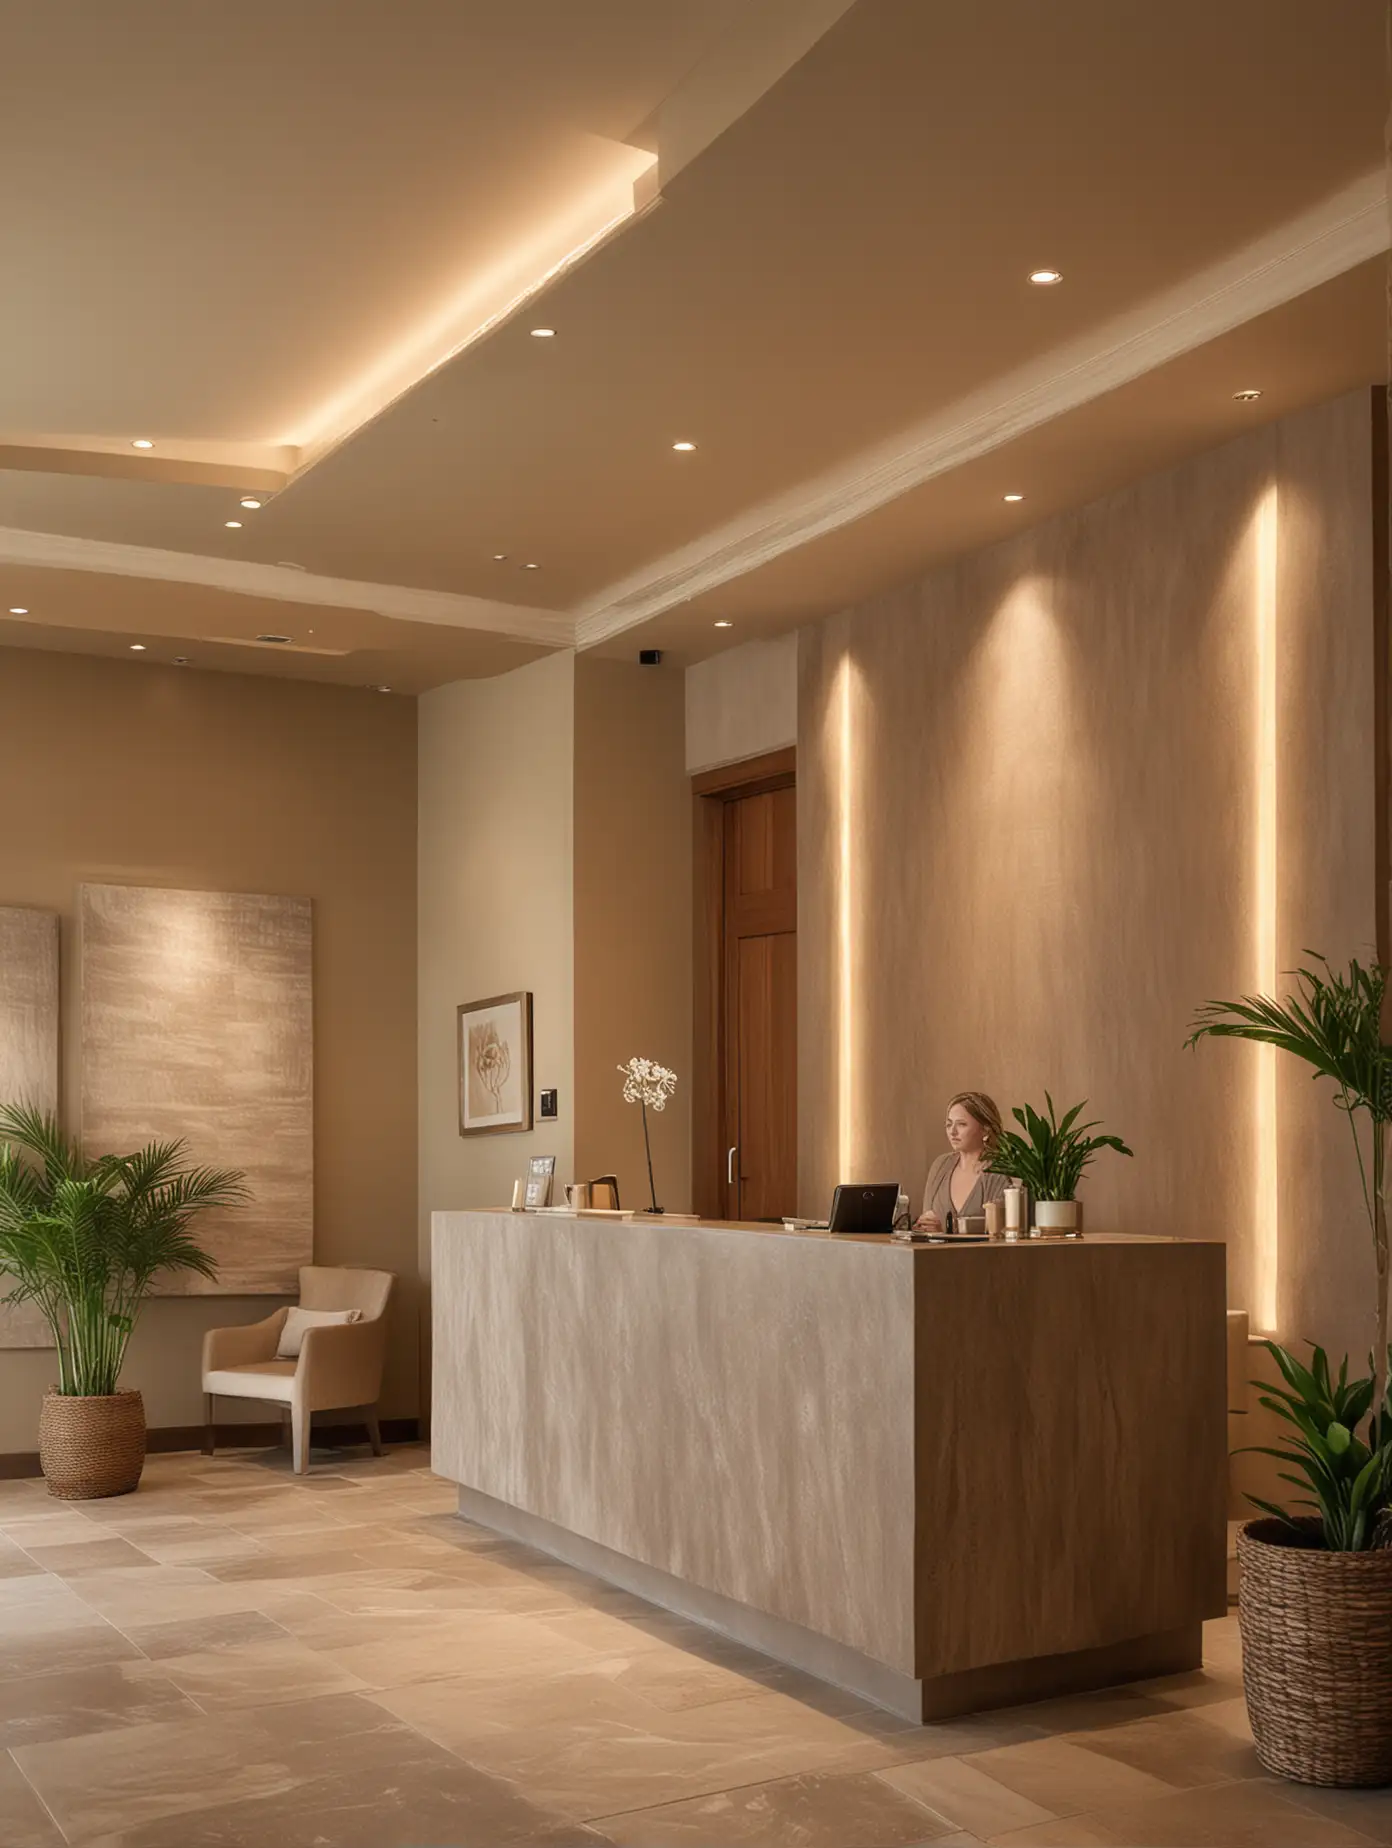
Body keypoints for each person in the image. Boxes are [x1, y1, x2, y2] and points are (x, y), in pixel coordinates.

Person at [916, 1092, 1012, 1233]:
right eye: (949, 1125)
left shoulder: (999, 1171)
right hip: (936, 1254)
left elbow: (1002, 1232)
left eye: (961, 1124)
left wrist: (945, 1231)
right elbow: (927, 1220)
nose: (952, 1132)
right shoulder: (940, 1165)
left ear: (985, 1130)